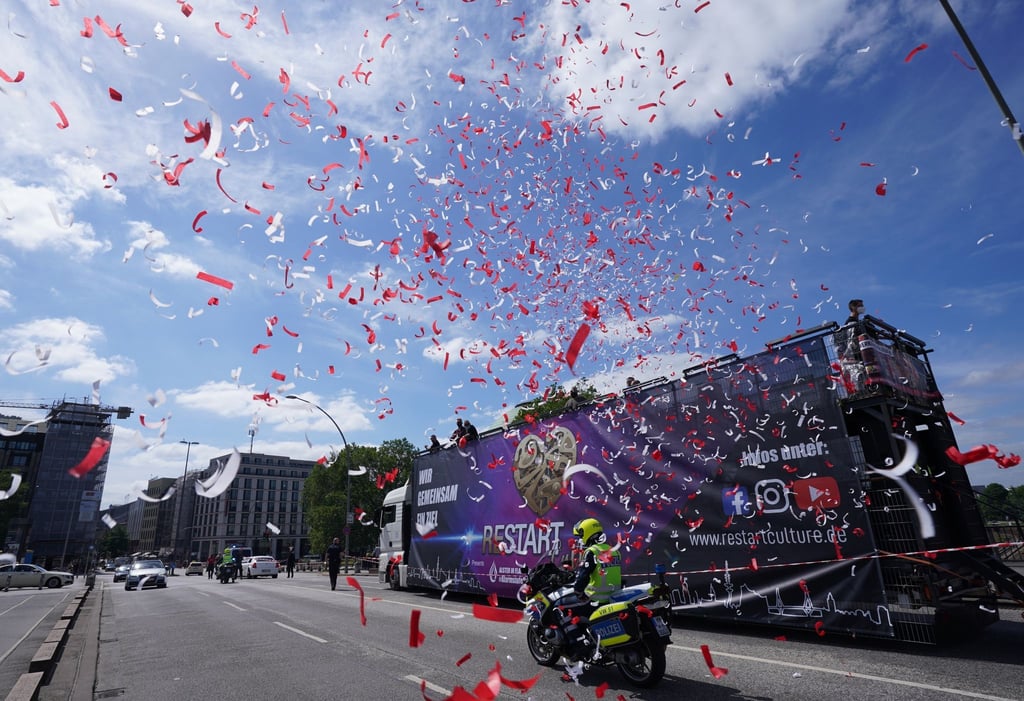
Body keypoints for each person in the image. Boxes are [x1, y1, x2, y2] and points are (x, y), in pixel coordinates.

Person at [554, 518, 623, 660]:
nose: (580, 540)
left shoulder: (591, 552)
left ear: (587, 533)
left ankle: (578, 644)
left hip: (595, 598)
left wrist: (578, 591)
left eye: (580, 536)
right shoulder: (614, 551)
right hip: (613, 597)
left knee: (559, 607)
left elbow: (583, 577)